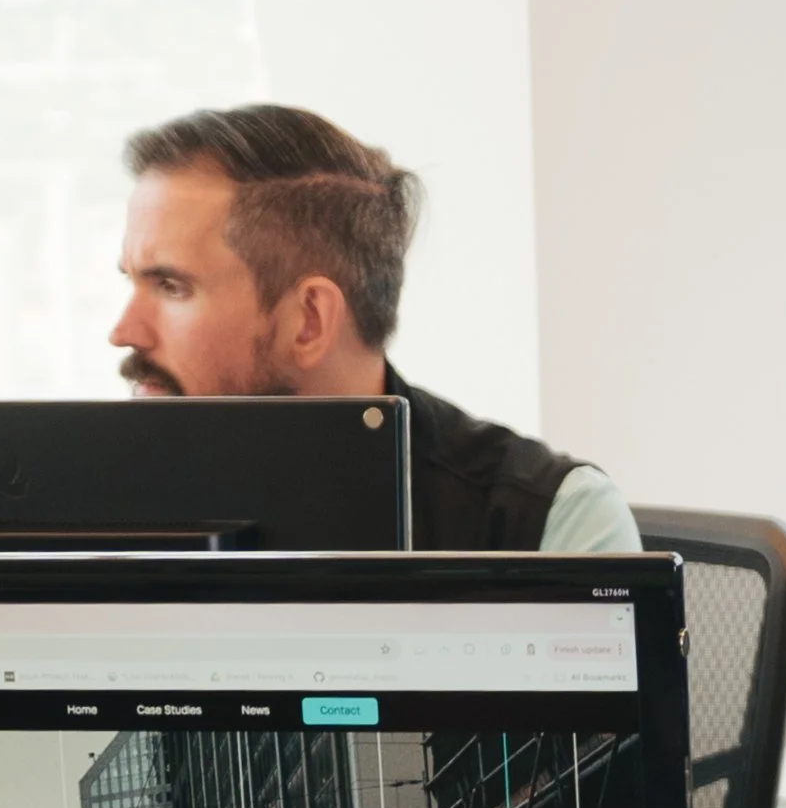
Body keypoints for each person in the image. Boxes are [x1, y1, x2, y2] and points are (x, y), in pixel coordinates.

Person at [111, 100, 641, 557]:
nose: (124, 330)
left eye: (171, 286)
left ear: (309, 321)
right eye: (132, 282)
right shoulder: (101, 503)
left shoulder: (549, 524)